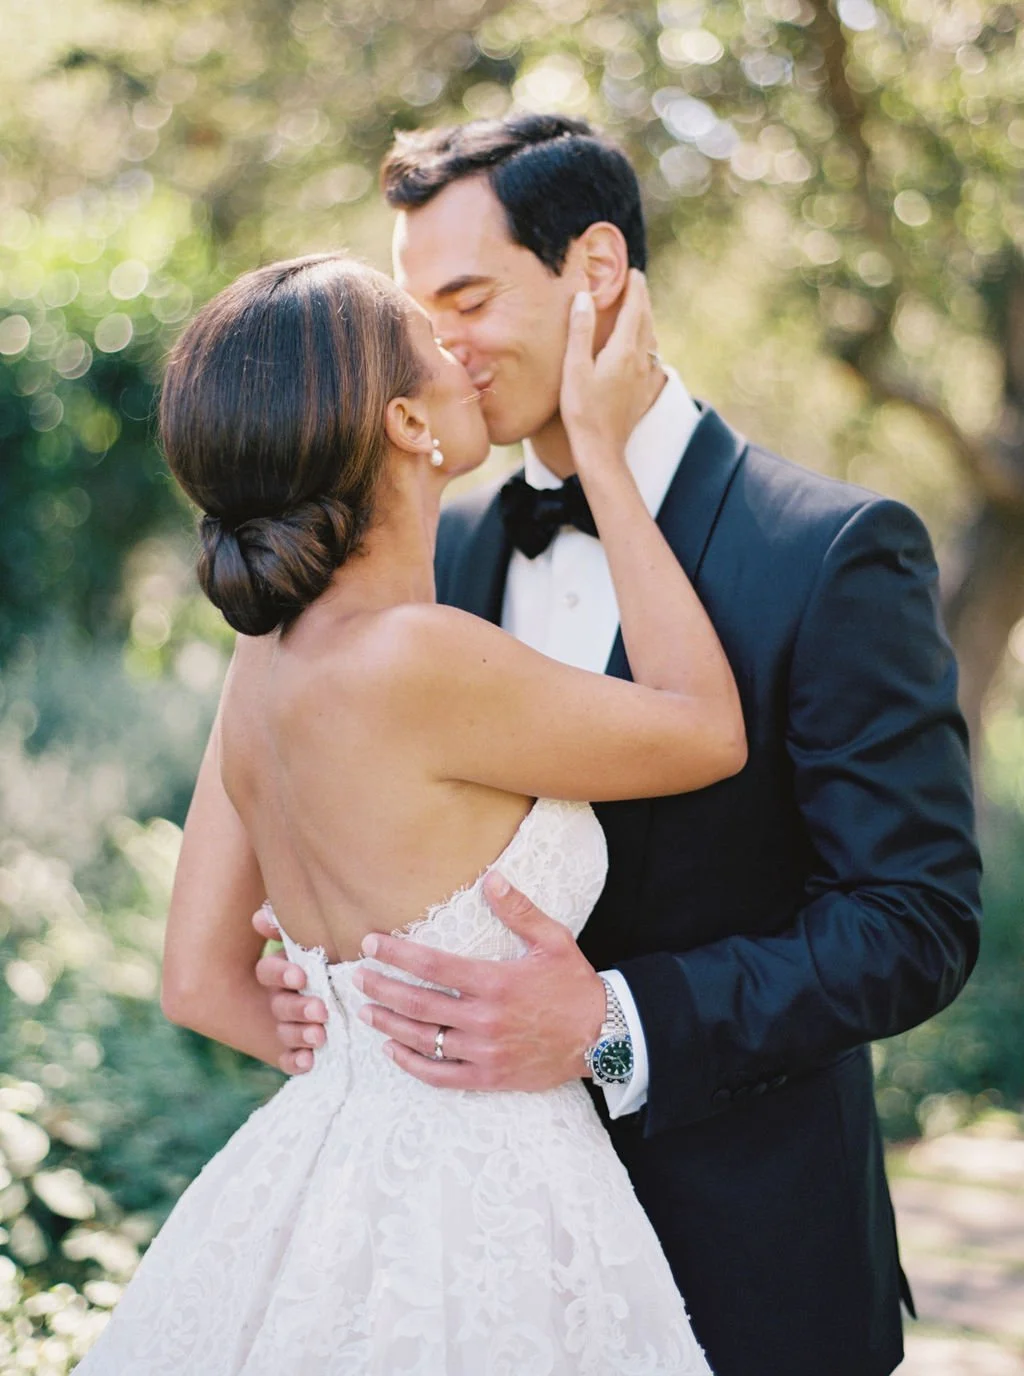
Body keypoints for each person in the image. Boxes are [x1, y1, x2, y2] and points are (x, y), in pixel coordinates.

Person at [261, 116, 983, 1376]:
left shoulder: (830, 550)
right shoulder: (448, 553)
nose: (441, 347)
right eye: (420, 313)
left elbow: (912, 920)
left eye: (468, 298)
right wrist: (332, 968)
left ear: (595, 270)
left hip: (748, 1268)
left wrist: (611, 1020)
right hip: (481, 1275)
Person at [74, 251, 745, 1373]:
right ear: (406, 422)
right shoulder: (417, 657)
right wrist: (605, 454)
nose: (463, 352)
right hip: (484, 1191)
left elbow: (197, 980)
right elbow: (706, 729)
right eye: (434, 340)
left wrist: (352, 1049)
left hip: (316, 1169)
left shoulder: (261, 665)